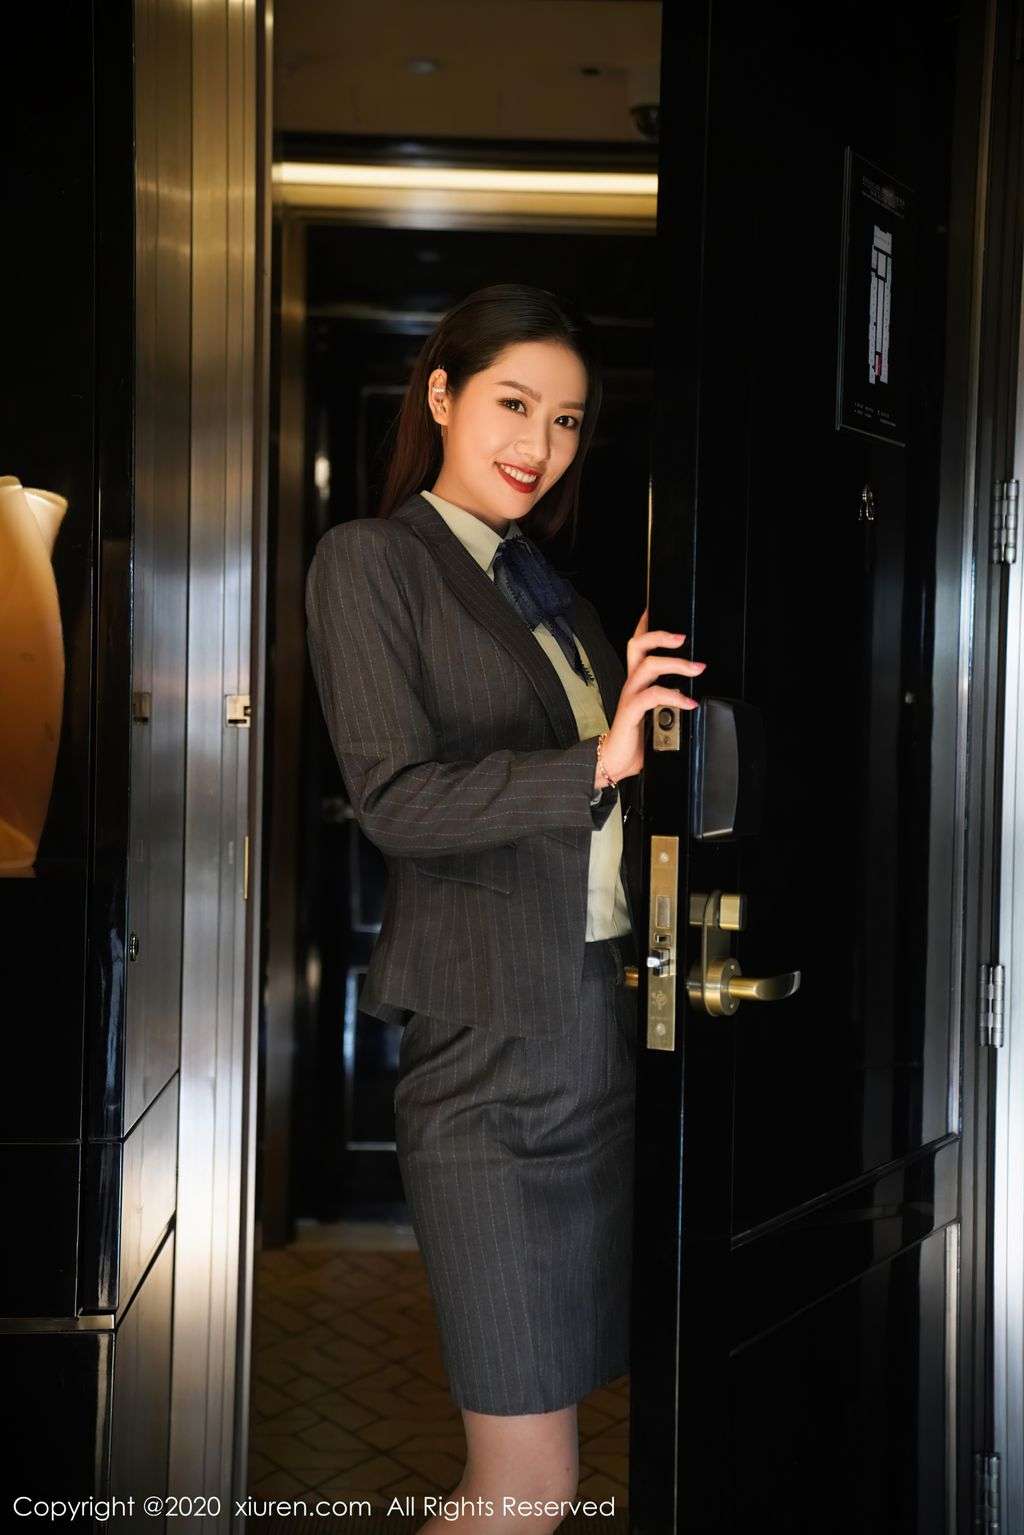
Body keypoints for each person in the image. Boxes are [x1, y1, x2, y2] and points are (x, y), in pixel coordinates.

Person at [304, 283, 706, 1532]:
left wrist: (633, 730)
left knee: (555, 1471)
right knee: (525, 1485)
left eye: (568, 420)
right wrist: (597, 758)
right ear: (441, 395)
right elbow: (394, 802)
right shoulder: (372, 560)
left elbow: (599, 817)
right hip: (487, 1060)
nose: (541, 443)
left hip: (596, 1038)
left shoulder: (559, 603)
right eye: (514, 404)